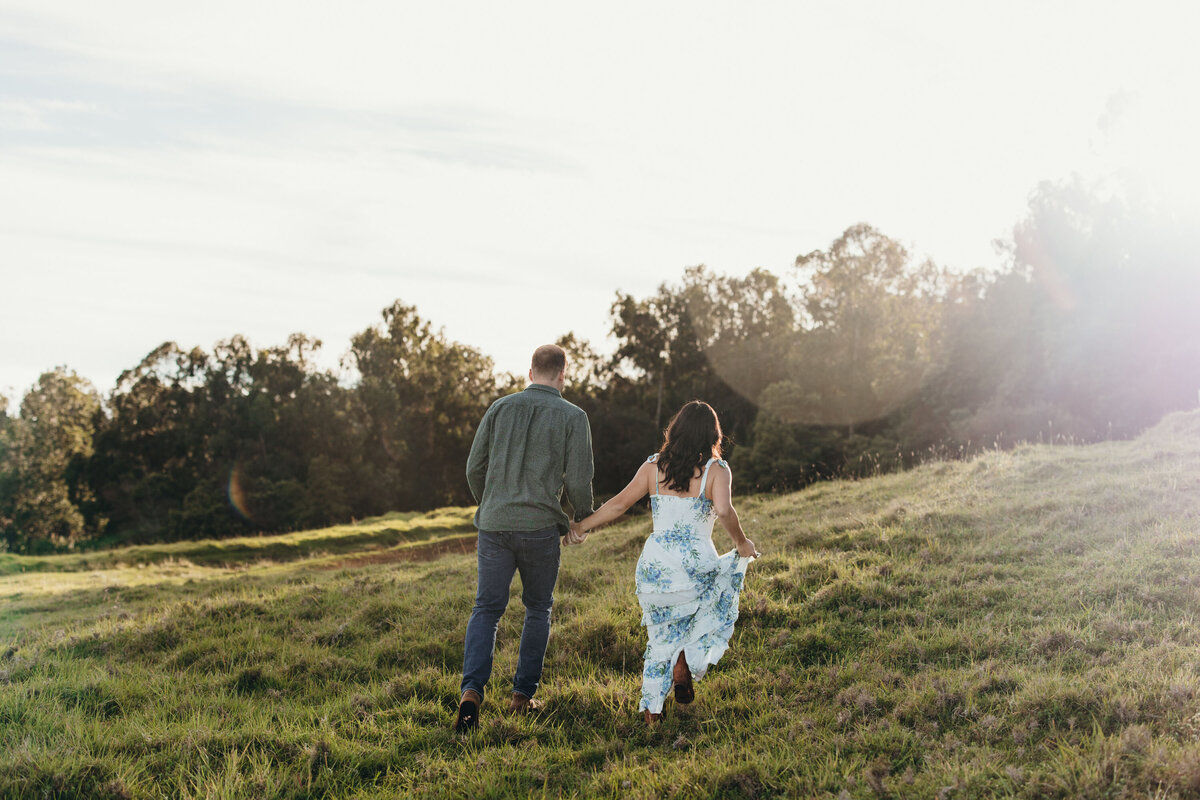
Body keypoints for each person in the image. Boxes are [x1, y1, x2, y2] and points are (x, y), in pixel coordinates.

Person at [569, 400, 758, 724]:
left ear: (676, 430)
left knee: (659, 637)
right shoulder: (717, 470)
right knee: (709, 612)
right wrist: (742, 544)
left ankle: (651, 711)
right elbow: (724, 511)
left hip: (656, 565)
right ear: (713, 434)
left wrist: (580, 527)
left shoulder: (652, 467)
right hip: (696, 564)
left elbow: (618, 506)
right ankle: (683, 661)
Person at [454, 344, 595, 733]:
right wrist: (580, 520)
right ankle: (521, 697)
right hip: (539, 530)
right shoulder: (574, 416)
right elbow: (580, 481)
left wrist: (494, 503)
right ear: (563, 376)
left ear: (530, 372)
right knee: (537, 609)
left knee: (486, 609)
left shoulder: (500, 407)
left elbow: (473, 468)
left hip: (494, 526)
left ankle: (471, 693)